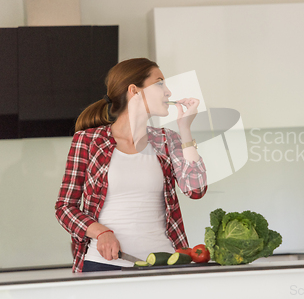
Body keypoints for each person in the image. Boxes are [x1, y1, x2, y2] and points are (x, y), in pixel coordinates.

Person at [55, 58, 207, 272]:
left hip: (164, 264)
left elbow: (196, 190)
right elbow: (64, 207)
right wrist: (100, 232)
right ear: (134, 91)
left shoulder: (167, 140)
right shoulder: (88, 141)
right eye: (160, 83)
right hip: (104, 265)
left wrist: (185, 130)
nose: (169, 92)